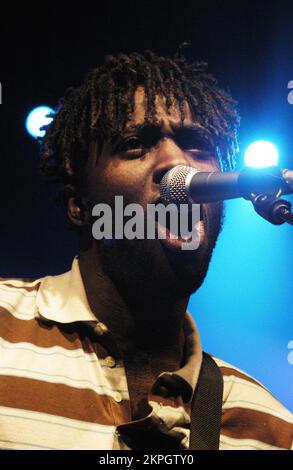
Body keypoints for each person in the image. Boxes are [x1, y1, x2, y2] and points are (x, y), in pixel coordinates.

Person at [0, 50, 292, 451]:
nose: (177, 165)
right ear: (79, 206)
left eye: (196, 145)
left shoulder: (269, 429)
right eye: (134, 145)